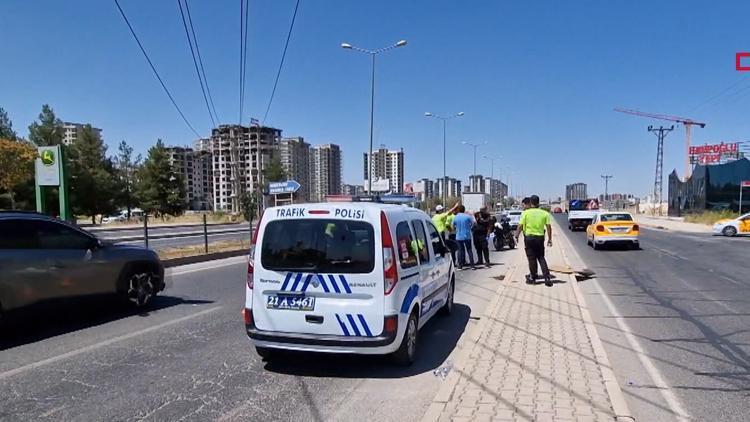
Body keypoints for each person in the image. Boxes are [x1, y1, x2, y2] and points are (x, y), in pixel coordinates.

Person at [514, 195, 553, 286]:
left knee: (531, 258)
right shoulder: (545, 213)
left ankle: (533, 277)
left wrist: (516, 236)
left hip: (529, 238)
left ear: (530, 203)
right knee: (541, 257)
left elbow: (520, 226)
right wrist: (550, 239)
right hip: (540, 238)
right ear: (538, 203)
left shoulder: (525, 213)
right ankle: (547, 278)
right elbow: (548, 227)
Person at [452, 205, 476, 270]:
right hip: (467, 236)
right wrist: (470, 227)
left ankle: (460, 265)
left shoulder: (455, 217)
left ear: (458, 210)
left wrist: (456, 228)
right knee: (469, 250)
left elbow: (452, 226)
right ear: (464, 210)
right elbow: (473, 223)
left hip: (459, 236)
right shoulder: (468, 217)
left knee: (460, 251)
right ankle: (472, 265)